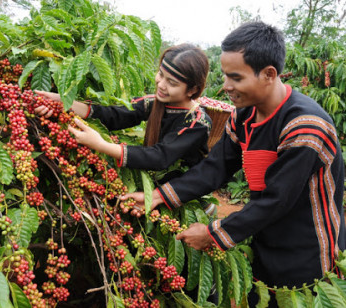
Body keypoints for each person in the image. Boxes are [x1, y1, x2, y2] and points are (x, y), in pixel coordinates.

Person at [122, 21, 346, 306]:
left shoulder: (305, 127)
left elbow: (277, 199)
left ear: (268, 74)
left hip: (308, 253)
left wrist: (214, 234)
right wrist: (156, 196)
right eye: (225, 75)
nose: (226, 86)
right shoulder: (244, 115)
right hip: (264, 237)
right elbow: (215, 167)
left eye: (236, 78)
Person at [35, 44, 212, 190]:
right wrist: (65, 102)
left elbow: (160, 156)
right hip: (153, 186)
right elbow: (116, 115)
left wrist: (102, 145)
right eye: (161, 75)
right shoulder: (154, 103)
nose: (161, 85)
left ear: (193, 90)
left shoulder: (198, 123)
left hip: (182, 193)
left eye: (172, 83)